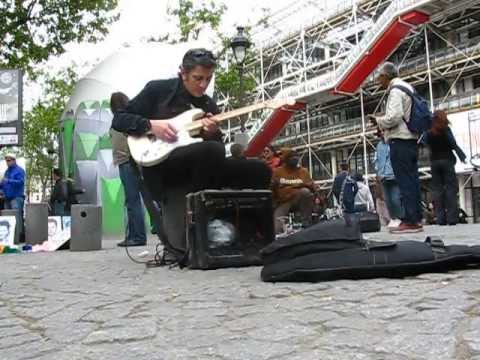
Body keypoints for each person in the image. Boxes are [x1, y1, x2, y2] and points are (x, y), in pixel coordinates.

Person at [111, 48, 271, 252]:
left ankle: (247, 236)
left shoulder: (208, 105)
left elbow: (218, 148)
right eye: (198, 78)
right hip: (163, 166)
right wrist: (151, 126)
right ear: (183, 73)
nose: (203, 84)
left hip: (201, 166)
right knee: (211, 151)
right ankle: (199, 221)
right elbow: (119, 119)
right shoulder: (158, 90)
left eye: (208, 79)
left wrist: (212, 132)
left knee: (258, 169)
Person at [372, 62, 423, 233]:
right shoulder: (407, 87)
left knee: (405, 182)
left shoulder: (395, 90)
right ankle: (416, 218)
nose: (378, 81)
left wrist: (379, 121)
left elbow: (394, 117)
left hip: (400, 139)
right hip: (411, 139)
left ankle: (410, 221)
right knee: (413, 180)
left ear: (386, 76)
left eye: (379, 77)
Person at [110, 92, 147, 247]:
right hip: (131, 162)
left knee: (133, 201)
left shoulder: (121, 121)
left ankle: (137, 236)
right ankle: (136, 235)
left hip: (128, 163)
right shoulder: (130, 119)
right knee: (136, 201)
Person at [423, 110, 466, 225]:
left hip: (434, 162)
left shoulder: (429, 131)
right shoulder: (446, 130)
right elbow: (453, 144)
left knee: (437, 191)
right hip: (447, 161)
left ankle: (440, 219)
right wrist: (461, 156)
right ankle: (452, 219)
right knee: (450, 189)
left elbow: (425, 144)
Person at [271, 148, 315, 233]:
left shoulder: (303, 172)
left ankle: (306, 223)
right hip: (283, 202)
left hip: (298, 199)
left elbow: (311, 186)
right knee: (277, 230)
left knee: (305, 192)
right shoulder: (278, 172)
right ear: (286, 159)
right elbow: (272, 188)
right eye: (291, 156)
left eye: (296, 156)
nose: (295, 158)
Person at [374, 128, 403, 228]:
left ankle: (399, 217)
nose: (382, 133)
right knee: (387, 199)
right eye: (380, 131)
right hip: (383, 176)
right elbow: (377, 159)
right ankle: (393, 218)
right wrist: (377, 172)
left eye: (384, 130)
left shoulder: (394, 143)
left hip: (394, 175)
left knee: (395, 198)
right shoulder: (379, 145)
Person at [0, 154, 25, 238]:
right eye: (6, 161)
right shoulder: (7, 171)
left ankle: (19, 236)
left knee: (16, 217)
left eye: (9, 160)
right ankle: (10, 237)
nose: (7, 162)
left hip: (16, 198)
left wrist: (8, 180)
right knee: (8, 218)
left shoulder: (19, 170)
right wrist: (1, 189)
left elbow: (21, 182)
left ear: (14, 160)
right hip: (7, 198)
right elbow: (4, 184)